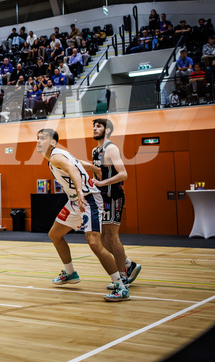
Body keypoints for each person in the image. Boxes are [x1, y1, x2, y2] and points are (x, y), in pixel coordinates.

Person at [36, 128, 130, 302]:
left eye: (43, 138)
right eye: (38, 138)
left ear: (53, 143)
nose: (39, 141)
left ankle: (120, 286)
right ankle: (70, 273)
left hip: (88, 200)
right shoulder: (57, 156)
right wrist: (94, 167)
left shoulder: (56, 156)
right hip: (74, 202)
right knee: (55, 235)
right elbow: (77, 162)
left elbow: (73, 169)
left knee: (94, 243)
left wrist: (79, 191)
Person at [87, 119, 142, 290]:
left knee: (112, 237)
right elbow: (100, 173)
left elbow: (123, 174)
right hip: (102, 197)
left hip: (114, 196)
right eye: (94, 126)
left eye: (99, 126)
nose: (95, 129)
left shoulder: (111, 148)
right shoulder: (95, 150)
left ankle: (123, 276)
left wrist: (103, 184)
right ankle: (127, 263)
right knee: (102, 238)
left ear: (107, 130)